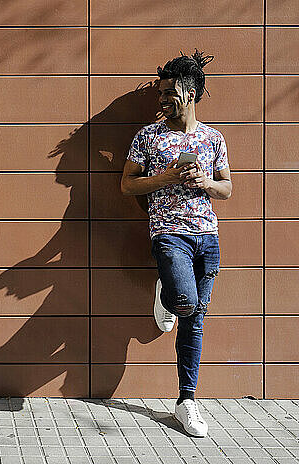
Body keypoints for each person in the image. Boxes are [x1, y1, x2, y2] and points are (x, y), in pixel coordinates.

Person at [120, 51, 232, 437]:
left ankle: (187, 401)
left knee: (195, 321)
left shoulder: (213, 138)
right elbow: (128, 184)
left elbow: (227, 188)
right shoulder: (149, 137)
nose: (163, 99)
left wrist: (206, 184)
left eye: (171, 93)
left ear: (192, 92)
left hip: (208, 237)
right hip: (169, 233)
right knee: (184, 303)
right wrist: (167, 177)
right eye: (161, 93)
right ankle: (168, 291)